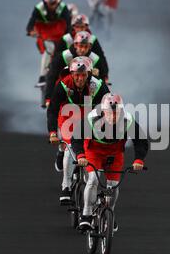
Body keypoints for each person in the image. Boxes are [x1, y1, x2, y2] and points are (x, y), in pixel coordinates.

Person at [72, 93, 149, 231]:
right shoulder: (92, 118)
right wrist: (80, 155)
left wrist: (139, 159)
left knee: (113, 186)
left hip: (115, 153)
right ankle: (87, 214)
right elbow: (76, 137)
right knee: (93, 179)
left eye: (116, 112)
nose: (113, 116)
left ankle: (110, 213)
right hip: (94, 152)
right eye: (109, 112)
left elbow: (141, 141)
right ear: (103, 110)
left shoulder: (127, 120)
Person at [48, 57, 111, 204]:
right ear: (71, 74)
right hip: (70, 115)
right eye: (76, 75)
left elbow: (108, 109)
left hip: (90, 114)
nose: (80, 78)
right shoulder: (64, 84)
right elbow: (52, 110)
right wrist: (52, 132)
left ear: (89, 74)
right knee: (70, 146)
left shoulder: (98, 85)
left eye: (83, 75)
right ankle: (66, 185)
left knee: (93, 146)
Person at [45, 31, 109, 107]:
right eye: (81, 46)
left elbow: (102, 80)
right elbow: (52, 77)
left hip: (88, 95)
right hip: (66, 91)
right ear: (75, 45)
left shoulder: (95, 59)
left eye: (86, 47)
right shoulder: (63, 57)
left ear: (90, 46)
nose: (83, 50)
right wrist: (48, 98)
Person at [26, 0, 72, 92]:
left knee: (70, 49)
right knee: (49, 49)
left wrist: (67, 36)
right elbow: (30, 23)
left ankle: (70, 71)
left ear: (58, 1)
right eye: (48, 3)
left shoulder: (63, 8)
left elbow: (68, 25)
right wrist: (30, 31)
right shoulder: (39, 8)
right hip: (44, 34)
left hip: (59, 35)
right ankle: (42, 76)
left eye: (53, 3)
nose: (51, 6)